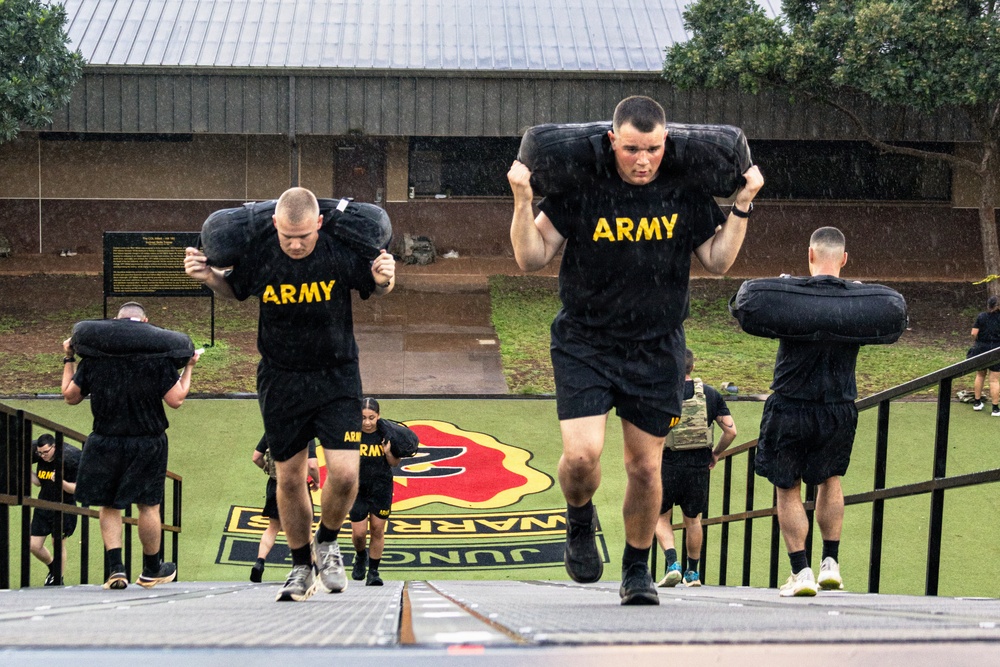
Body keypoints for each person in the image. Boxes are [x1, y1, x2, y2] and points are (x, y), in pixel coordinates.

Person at [507, 95, 763, 605]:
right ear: (611, 142)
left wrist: (743, 204)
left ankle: (636, 569)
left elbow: (717, 262)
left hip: (656, 347)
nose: (642, 160)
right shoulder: (581, 187)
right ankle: (579, 519)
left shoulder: (684, 192)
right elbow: (529, 258)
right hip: (586, 340)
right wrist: (521, 199)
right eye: (631, 149)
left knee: (646, 468)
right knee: (581, 457)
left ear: (666, 143)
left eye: (653, 148)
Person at [184, 186, 396, 602]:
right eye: (287, 236)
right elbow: (236, 289)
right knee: (289, 477)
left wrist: (386, 280)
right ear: (274, 225)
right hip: (280, 379)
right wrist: (209, 277)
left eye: (304, 236)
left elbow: (378, 286)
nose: (296, 245)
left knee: (347, 474)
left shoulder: (338, 246)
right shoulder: (263, 249)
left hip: (336, 375)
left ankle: (329, 540)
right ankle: (300, 566)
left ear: (319, 223)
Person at [62, 301, 200, 590]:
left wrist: (68, 358)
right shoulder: (158, 358)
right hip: (147, 441)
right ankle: (152, 569)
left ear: (116, 322)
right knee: (148, 505)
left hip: (105, 439)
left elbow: (70, 396)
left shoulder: (96, 358)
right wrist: (189, 367)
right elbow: (176, 400)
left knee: (109, 504)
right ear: (146, 323)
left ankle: (116, 569)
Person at [755, 226, 861, 597]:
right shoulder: (857, 301)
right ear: (844, 259)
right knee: (830, 479)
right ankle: (830, 563)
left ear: (810, 255)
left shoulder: (791, 298)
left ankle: (801, 572)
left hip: (791, 405)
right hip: (838, 406)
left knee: (788, 488)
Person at [654, 349, 737, 588]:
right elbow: (731, 431)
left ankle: (672, 564)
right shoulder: (710, 395)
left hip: (668, 464)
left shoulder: (664, 395)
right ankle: (692, 573)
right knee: (693, 520)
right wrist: (716, 453)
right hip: (698, 466)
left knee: (661, 517)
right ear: (692, 366)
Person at [350, 397, 405, 587]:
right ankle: (360, 555)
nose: (367, 422)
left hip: (381, 487)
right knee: (358, 534)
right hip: (356, 489)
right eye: (363, 417)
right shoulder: (351, 434)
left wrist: (388, 452)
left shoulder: (387, 434)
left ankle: (373, 572)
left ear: (378, 416)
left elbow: (395, 463)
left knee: (377, 529)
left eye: (371, 418)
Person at [249, 435, 320, 582]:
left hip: (275, 484)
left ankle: (259, 562)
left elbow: (256, 457)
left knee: (272, 528)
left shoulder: (273, 427)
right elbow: (312, 465)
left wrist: (267, 468)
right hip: (297, 486)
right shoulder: (306, 432)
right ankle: (312, 566)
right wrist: (316, 481)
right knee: (304, 529)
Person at [30, 433, 82, 586]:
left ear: (54, 447)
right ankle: (53, 567)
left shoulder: (69, 460)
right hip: (44, 505)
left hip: (64, 506)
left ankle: (57, 579)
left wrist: (61, 481)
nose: (43, 455)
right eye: (40, 453)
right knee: (33, 545)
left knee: (57, 542)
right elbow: (39, 482)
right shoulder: (41, 458)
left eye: (46, 452)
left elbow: (76, 489)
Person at [969, 295, 1000, 416]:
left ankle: (977, 403)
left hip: (981, 348)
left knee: (980, 375)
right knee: (994, 380)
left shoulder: (981, 316)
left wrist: (980, 341)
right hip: (997, 349)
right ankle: (995, 408)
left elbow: (973, 333)